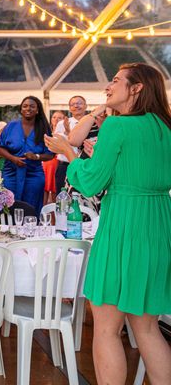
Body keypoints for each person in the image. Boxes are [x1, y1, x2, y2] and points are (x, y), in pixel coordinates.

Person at [45, 63, 171, 385]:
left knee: (106, 328)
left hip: (123, 226)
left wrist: (69, 154)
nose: (108, 87)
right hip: (158, 224)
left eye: (115, 81)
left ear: (137, 88)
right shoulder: (164, 128)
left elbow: (89, 183)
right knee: (146, 327)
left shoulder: (117, 128)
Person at [0, 96, 53, 213]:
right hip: (11, 173)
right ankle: (9, 231)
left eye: (32, 106)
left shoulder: (43, 129)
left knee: (31, 207)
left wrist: (36, 156)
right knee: (9, 205)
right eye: (25, 106)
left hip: (34, 174)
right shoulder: (11, 126)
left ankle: (31, 230)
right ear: (21, 109)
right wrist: (13, 158)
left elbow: (50, 154)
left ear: (37, 110)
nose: (28, 109)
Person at [54, 95, 87, 192]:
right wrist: (66, 135)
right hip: (65, 166)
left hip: (84, 166)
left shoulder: (92, 123)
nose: (76, 106)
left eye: (79, 103)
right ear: (70, 108)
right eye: (73, 104)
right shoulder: (62, 124)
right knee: (63, 196)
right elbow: (55, 146)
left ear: (85, 106)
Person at [43, 110, 65, 204]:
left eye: (59, 118)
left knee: (56, 190)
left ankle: (55, 218)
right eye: (54, 117)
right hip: (46, 162)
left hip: (58, 162)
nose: (56, 120)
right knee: (44, 189)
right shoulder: (46, 131)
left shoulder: (65, 132)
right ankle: (42, 214)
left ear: (64, 120)